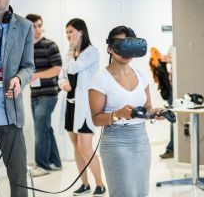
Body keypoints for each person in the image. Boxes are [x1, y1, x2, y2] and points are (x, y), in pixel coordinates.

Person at [89, 26, 164, 197]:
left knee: (141, 193)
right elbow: (96, 119)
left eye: (131, 44)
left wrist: (155, 113)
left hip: (141, 141)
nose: (127, 50)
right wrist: (117, 114)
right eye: (122, 44)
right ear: (110, 48)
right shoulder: (100, 80)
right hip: (116, 144)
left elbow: (147, 109)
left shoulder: (141, 75)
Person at [0, 0, 34, 197]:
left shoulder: (25, 26)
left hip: (9, 106)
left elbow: (28, 66)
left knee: (18, 173)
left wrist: (19, 79)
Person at [58, 18, 106, 196]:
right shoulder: (69, 54)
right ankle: (84, 184)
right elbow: (63, 74)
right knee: (76, 146)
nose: (69, 35)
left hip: (85, 107)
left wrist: (71, 49)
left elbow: (73, 69)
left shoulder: (91, 52)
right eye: (67, 32)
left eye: (72, 31)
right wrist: (62, 83)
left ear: (81, 32)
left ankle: (100, 184)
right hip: (71, 105)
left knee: (85, 146)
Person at [25, 14, 62, 176]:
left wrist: (37, 75)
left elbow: (57, 69)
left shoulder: (50, 45)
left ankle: (42, 166)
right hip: (34, 94)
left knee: (40, 129)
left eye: (40, 25)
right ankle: (55, 162)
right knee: (45, 128)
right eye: (34, 26)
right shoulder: (25, 47)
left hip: (49, 94)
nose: (38, 29)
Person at [149, 47, 174, 159]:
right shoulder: (160, 63)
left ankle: (171, 149)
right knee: (172, 119)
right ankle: (171, 149)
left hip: (173, 92)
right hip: (171, 92)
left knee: (173, 120)